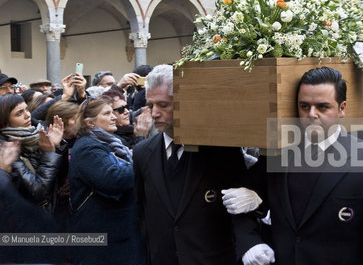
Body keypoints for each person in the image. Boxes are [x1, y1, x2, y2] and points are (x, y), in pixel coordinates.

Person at [232, 67, 363, 265]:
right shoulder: (277, 156)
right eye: (304, 106)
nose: (312, 114)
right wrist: (250, 242)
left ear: (342, 108)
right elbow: (240, 201)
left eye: (322, 107)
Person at [133, 64, 247, 265]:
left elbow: (239, 212)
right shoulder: (143, 153)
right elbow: (142, 211)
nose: (155, 113)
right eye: (151, 106)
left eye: (163, 105)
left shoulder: (220, 149)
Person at [69, 95, 145, 265]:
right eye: (106, 113)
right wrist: (142, 156)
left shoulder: (109, 142)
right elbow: (113, 179)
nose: (113, 117)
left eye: (112, 112)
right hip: (104, 240)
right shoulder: (87, 147)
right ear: (90, 123)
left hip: (117, 234)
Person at [0, 94, 64, 211]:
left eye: (27, 109)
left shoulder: (35, 135)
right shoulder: (6, 149)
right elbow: (37, 192)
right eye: (19, 113)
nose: (27, 115)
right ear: (5, 121)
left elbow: (57, 180)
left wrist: (56, 147)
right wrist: (49, 154)